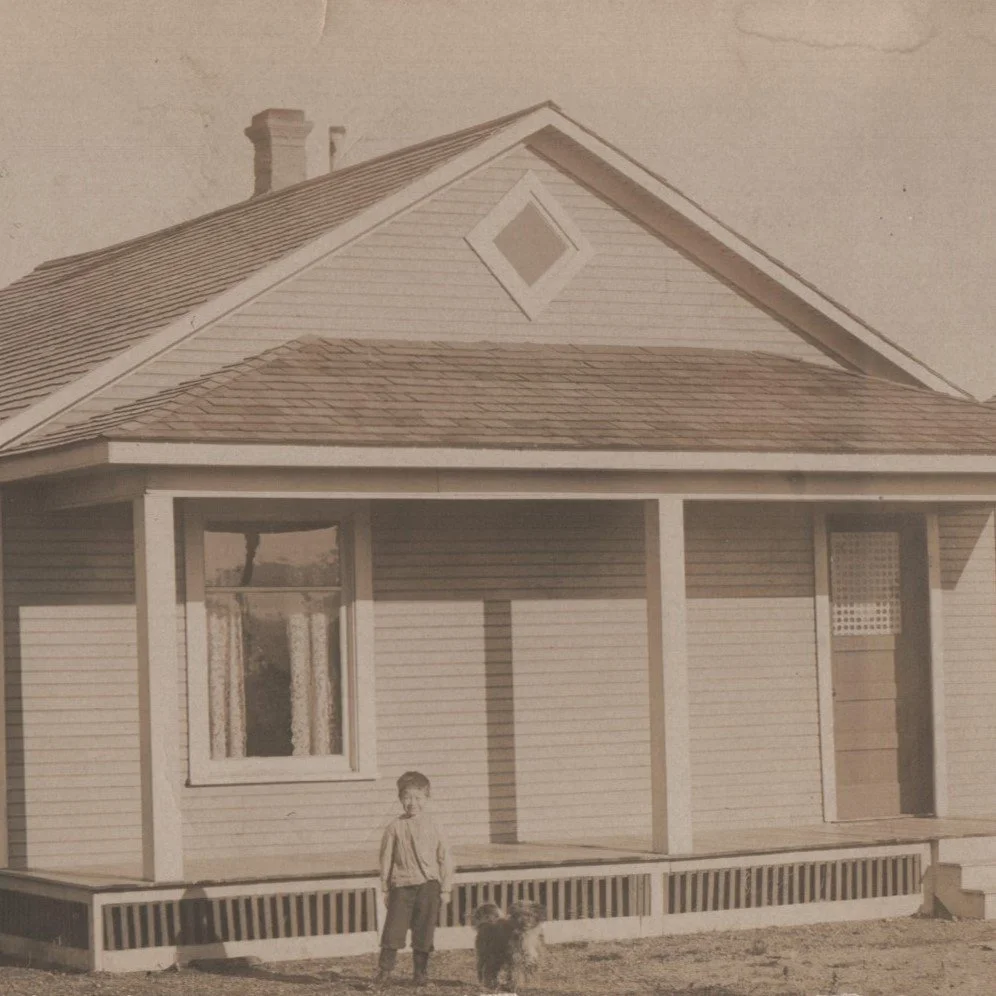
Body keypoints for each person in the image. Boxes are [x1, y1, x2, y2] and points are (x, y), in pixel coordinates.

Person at [376, 770, 454, 986]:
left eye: (418, 798)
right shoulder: (394, 827)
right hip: (401, 885)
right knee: (393, 929)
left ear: (427, 799)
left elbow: (444, 857)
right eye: (407, 797)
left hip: (429, 886)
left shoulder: (435, 825)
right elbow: (386, 859)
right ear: (400, 798)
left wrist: (446, 888)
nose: (412, 803)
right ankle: (384, 973)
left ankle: (420, 974)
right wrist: (385, 887)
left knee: (424, 930)